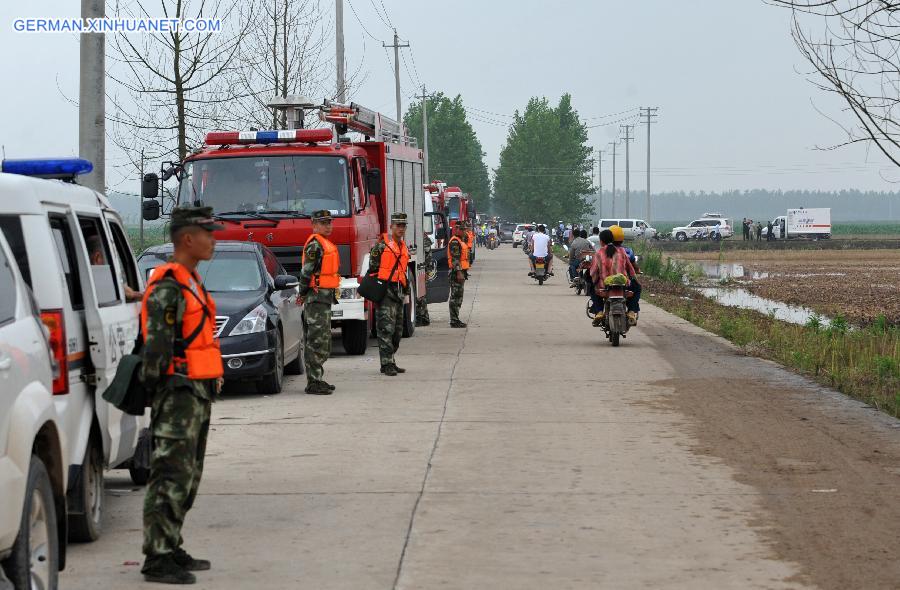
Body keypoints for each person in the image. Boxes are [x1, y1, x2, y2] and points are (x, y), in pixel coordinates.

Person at [139, 206, 224, 585]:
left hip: (197, 390)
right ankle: (156, 557)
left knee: (188, 476)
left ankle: (170, 544)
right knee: (170, 473)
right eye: (208, 233)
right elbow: (155, 350)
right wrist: (163, 388)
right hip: (177, 392)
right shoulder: (169, 285)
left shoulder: (189, 280)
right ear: (187, 238)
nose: (214, 239)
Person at [297, 210, 340, 395]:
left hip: (324, 298)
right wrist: (302, 292)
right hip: (315, 299)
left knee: (323, 340)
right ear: (314, 224)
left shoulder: (325, 244)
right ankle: (313, 382)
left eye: (329, 222)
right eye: (324, 223)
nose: (328, 226)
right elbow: (306, 273)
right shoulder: (314, 245)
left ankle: (317, 378)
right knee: (316, 340)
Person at [369, 212, 410, 376]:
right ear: (391, 226)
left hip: (398, 292)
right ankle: (386, 364)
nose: (400, 229)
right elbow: (373, 269)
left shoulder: (403, 246)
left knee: (398, 331)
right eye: (398, 225)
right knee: (385, 329)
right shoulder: (381, 246)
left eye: (403, 226)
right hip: (385, 292)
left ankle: (391, 359)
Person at [589, 226, 637, 326]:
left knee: (592, 288)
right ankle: (632, 311)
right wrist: (634, 279)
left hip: (604, 286)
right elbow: (630, 268)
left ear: (601, 241)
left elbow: (593, 272)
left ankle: (599, 312)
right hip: (623, 284)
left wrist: (594, 280)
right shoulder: (622, 251)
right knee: (637, 288)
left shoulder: (598, 253)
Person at [447, 222, 470, 328]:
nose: (465, 231)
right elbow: (455, 259)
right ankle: (454, 320)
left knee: (458, 297)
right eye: (463, 229)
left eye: (465, 229)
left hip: (461, 272)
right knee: (455, 297)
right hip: (456, 273)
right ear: (457, 230)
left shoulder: (460, 240)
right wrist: (459, 273)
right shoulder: (455, 241)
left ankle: (456, 319)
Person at [415, 232, 432, 327]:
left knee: (421, 297)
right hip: (421, 268)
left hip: (422, 268)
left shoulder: (424, 239)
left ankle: (423, 318)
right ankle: (424, 318)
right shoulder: (423, 238)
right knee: (421, 296)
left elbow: (428, 257)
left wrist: (426, 271)